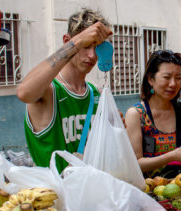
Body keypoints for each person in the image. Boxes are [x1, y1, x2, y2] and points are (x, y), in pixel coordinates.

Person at [16, 8, 113, 173]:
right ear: (67, 41)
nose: (92, 55)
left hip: (89, 193)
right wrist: (76, 43)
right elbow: (24, 92)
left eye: (96, 48)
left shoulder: (95, 94)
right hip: (52, 195)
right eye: (86, 46)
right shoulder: (49, 90)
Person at [125, 50, 181, 178]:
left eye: (178, 78)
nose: (173, 84)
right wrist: (171, 156)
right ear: (150, 79)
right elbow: (135, 164)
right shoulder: (137, 115)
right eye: (167, 77)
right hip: (151, 192)